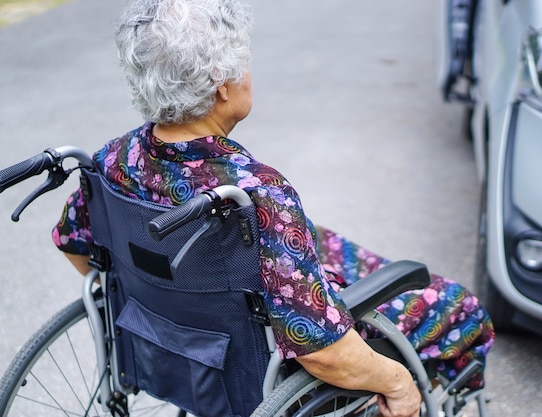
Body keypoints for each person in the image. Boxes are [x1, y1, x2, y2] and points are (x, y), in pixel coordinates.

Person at [52, 0, 494, 416]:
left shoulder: (114, 159)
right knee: (461, 309)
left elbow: (75, 246)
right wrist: (398, 383)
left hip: (179, 342)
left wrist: (168, 303)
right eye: (243, 62)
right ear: (221, 84)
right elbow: (320, 348)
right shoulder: (255, 195)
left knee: (322, 241)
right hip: (256, 362)